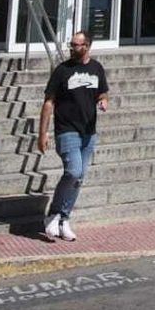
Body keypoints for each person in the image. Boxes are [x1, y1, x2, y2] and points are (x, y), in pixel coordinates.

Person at [38, 31, 108, 242]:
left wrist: (103, 101)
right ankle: (54, 212)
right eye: (71, 45)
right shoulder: (62, 71)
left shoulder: (96, 68)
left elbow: (102, 92)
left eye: (77, 45)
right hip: (66, 129)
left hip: (88, 131)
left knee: (79, 178)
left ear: (87, 46)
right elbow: (49, 102)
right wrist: (42, 133)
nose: (73, 49)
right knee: (73, 171)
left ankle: (63, 218)